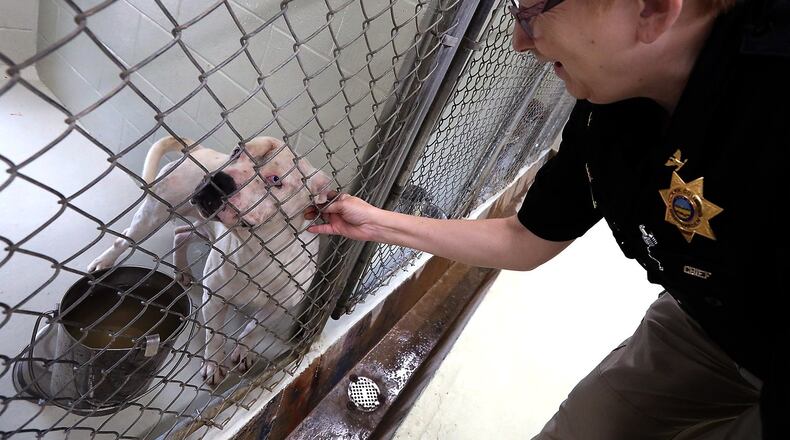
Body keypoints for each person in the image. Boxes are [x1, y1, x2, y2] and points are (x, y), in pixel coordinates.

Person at [305, 0, 790, 438]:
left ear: (653, 10)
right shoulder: (609, 104)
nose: (519, 41)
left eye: (531, 11)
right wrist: (377, 224)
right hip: (708, 319)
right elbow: (526, 238)